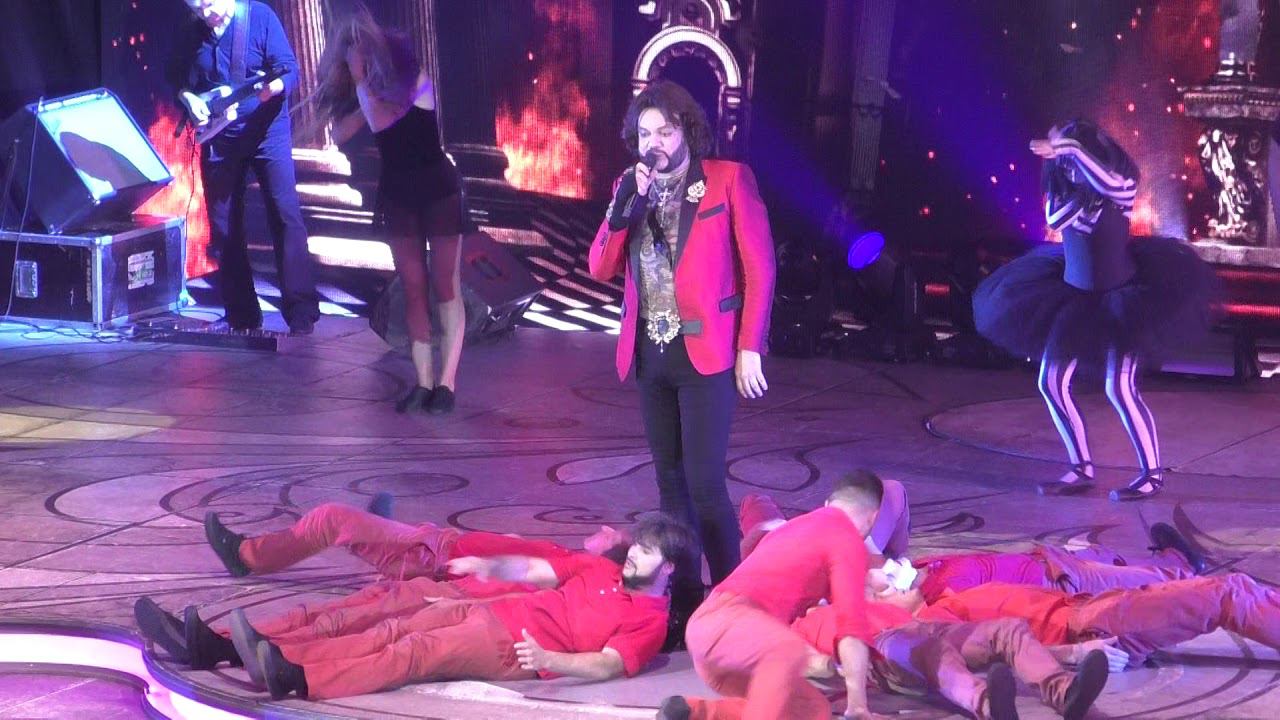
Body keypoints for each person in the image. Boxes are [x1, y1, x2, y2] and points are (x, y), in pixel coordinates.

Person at [588, 80, 776, 638]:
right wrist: (623, 208)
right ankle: (688, 602)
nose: (656, 143)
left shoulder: (728, 179)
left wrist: (750, 347)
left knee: (705, 484)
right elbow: (600, 267)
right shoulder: (628, 187)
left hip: (708, 351)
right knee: (669, 484)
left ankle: (735, 602)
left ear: (686, 131)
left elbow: (761, 267)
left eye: (666, 131)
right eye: (646, 133)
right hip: (651, 352)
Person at [972, 120, 1214, 500]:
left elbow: (1108, 185)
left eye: (1070, 155)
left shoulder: (1121, 185)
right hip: (1075, 297)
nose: (1064, 164)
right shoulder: (1065, 191)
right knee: (1051, 383)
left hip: (1123, 296)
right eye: (1061, 159)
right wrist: (1066, 163)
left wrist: (1070, 149)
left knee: (1119, 387)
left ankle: (1152, 474)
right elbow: (1056, 218)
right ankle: (1081, 467)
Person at [226, 514, 694, 699]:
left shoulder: (649, 621)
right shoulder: (601, 569)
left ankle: (303, 679)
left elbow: (607, 664)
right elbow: (534, 570)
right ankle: (284, 662)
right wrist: (487, 565)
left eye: (645, 552)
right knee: (389, 632)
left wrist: (551, 660)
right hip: (493, 610)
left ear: (669, 567)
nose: (632, 554)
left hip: (512, 644)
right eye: (635, 546)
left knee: (412, 651)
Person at [306, 3, 465, 413]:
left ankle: (446, 383)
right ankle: (423, 382)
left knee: (445, 284)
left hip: (438, 190)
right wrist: (352, 88)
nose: (355, 59)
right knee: (413, 286)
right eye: (349, 53)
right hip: (399, 195)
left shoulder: (415, 83)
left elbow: (385, 116)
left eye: (359, 51)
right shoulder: (369, 98)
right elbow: (341, 133)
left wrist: (361, 82)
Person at [660, 472, 882, 720]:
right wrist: (858, 706)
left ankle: (692, 713)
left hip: (715, 636)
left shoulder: (794, 527)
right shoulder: (847, 539)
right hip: (735, 628)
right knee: (789, 650)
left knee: (811, 708)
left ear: (828, 503)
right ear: (874, 518)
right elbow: (852, 629)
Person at [169, 0, 320, 334]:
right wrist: (188, 98)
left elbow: (289, 69)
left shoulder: (259, 17)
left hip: (267, 131)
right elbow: (177, 78)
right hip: (222, 137)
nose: (206, 14)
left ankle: (301, 310)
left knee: (285, 214)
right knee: (224, 225)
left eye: (209, 4)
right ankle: (242, 316)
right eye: (198, 9)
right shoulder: (192, 31)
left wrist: (273, 88)